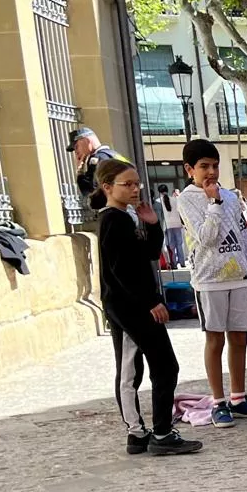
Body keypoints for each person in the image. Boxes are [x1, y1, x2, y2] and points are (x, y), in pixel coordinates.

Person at [93, 158, 201, 457]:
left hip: (131, 303)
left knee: (142, 367)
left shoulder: (125, 218)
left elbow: (149, 254)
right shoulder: (112, 220)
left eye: (136, 183)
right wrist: (151, 301)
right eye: (127, 184)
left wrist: (153, 224)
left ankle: (140, 433)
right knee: (151, 367)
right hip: (128, 306)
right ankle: (157, 433)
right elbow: (121, 270)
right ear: (107, 187)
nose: (135, 189)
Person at [176, 138, 247, 428]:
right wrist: (213, 203)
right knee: (216, 339)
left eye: (214, 165)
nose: (211, 172)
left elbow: (243, 239)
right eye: (204, 167)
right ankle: (218, 401)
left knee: (240, 337)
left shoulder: (232, 197)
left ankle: (238, 396)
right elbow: (206, 237)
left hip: (237, 277)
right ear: (190, 169)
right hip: (209, 280)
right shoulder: (187, 199)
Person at [70, 128, 126, 211]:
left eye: (76, 147)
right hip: (126, 208)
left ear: (87, 141)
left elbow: (91, 192)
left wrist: (80, 172)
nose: (76, 152)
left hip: (114, 211)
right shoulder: (112, 154)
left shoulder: (97, 158)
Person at [155, 185, 186, 268]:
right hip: (177, 224)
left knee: (171, 246)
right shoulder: (175, 199)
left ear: (159, 192)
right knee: (179, 244)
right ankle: (182, 263)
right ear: (167, 190)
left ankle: (174, 264)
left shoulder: (158, 201)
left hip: (167, 225)